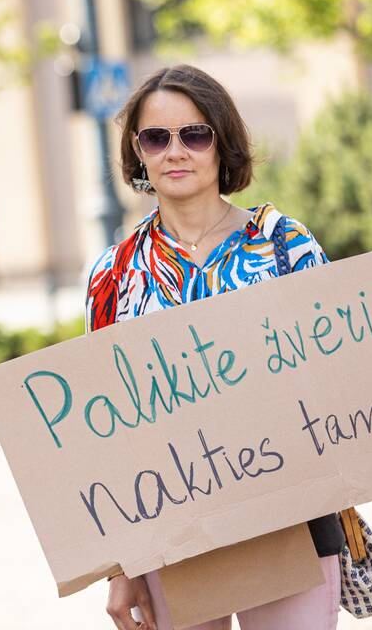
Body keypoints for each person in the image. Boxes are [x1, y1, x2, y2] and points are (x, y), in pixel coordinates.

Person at [86, 65, 345, 630]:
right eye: (156, 137)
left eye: (194, 134)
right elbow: (106, 436)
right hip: (172, 532)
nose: (175, 151)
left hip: (289, 518)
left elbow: (337, 379)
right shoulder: (114, 276)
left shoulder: (287, 247)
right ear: (138, 152)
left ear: (221, 142)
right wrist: (119, 569)